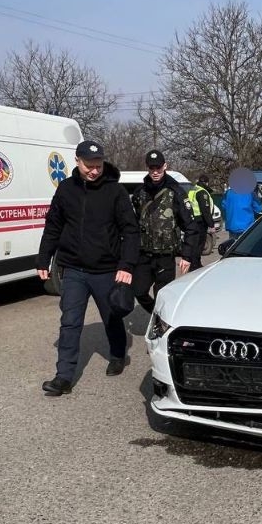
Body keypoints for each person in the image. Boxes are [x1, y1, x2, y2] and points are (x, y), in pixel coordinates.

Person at [36, 140, 138, 397]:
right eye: (89, 166)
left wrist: (126, 265)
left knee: (111, 317)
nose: (94, 171)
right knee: (70, 322)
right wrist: (43, 259)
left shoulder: (116, 192)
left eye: (98, 165)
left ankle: (117, 354)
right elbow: (53, 226)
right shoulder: (66, 189)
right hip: (74, 270)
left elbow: (130, 230)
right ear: (77, 161)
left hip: (106, 269)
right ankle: (64, 377)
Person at [131, 150, 198, 313]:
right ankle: (156, 314)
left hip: (165, 256)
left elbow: (191, 226)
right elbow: (135, 222)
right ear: (147, 168)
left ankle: (161, 325)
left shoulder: (176, 192)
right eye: (152, 168)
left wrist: (186, 256)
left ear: (165, 166)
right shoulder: (140, 192)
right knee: (138, 291)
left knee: (163, 295)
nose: (155, 172)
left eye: (158, 168)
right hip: (144, 254)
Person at [186, 174, 216, 271]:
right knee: (199, 245)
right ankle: (195, 265)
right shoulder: (202, 192)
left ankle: (195, 263)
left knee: (194, 243)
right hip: (200, 221)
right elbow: (205, 210)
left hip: (192, 220)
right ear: (206, 182)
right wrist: (211, 224)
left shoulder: (192, 190)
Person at [220, 181, 262, 245]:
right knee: (244, 247)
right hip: (246, 226)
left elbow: (223, 206)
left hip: (232, 225)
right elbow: (259, 208)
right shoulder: (251, 193)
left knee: (232, 246)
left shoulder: (228, 193)